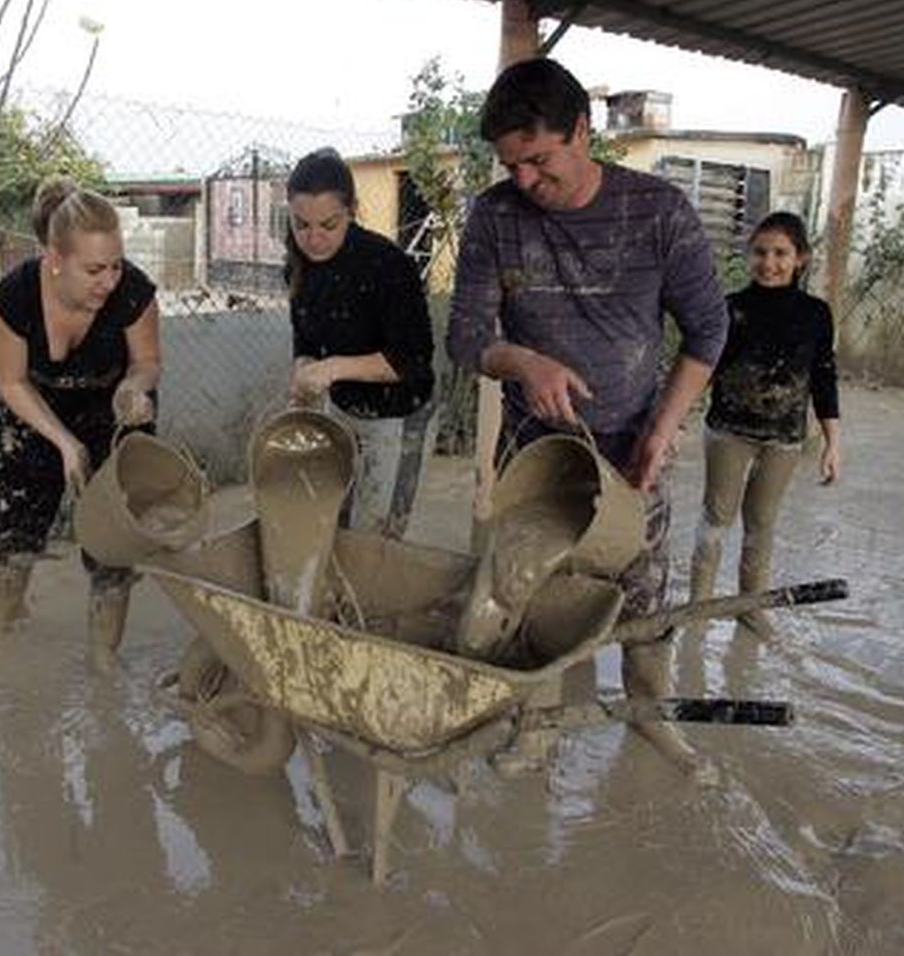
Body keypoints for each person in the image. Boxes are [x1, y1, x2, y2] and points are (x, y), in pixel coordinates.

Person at [446, 57, 729, 777]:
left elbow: (708, 332)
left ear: (582, 130)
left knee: (644, 598)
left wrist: (662, 431)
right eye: (510, 165)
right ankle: (535, 726)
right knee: (527, 588)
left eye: (538, 160)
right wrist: (523, 363)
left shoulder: (658, 212)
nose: (523, 182)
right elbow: (465, 338)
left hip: (633, 446)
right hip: (534, 449)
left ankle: (649, 716)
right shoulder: (495, 217)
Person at [0, 177, 161, 668]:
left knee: (112, 546)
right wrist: (63, 443)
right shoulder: (13, 298)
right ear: (55, 258)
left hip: (114, 413)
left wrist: (134, 389)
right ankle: (4, 632)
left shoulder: (134, 293)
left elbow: (147, 361)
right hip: (36, 413)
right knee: (13, 531)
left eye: (116, 265)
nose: (109, 281)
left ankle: (104, 662)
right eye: (94, 269)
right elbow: (12, 383)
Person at [689, 212, 841, 640]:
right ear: (748, 255)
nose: (769, 263)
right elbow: (702, 369)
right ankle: (697, 607)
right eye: (760, 252)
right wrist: (675, 423)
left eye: (780, 253)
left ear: (801, 259)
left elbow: (824, 376)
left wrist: (832, 443)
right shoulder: (731, 308)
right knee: (716, 517)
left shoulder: (815, 314)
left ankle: (750, 607)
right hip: (728, 431)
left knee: (762, 522)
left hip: (785, 438)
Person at [283, 147, 436, 538]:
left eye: (329, 225)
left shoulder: (388, 266)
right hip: (345, 406)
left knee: (376, 534)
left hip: (400, 410)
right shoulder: (298, 265)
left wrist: (330, 368)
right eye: (302, 225)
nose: (314, 239)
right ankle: (335, 596)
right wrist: (302, 367)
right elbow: (305, 339)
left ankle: (369, 593)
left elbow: (410, 360)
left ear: (351, 210)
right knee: (332, 519)